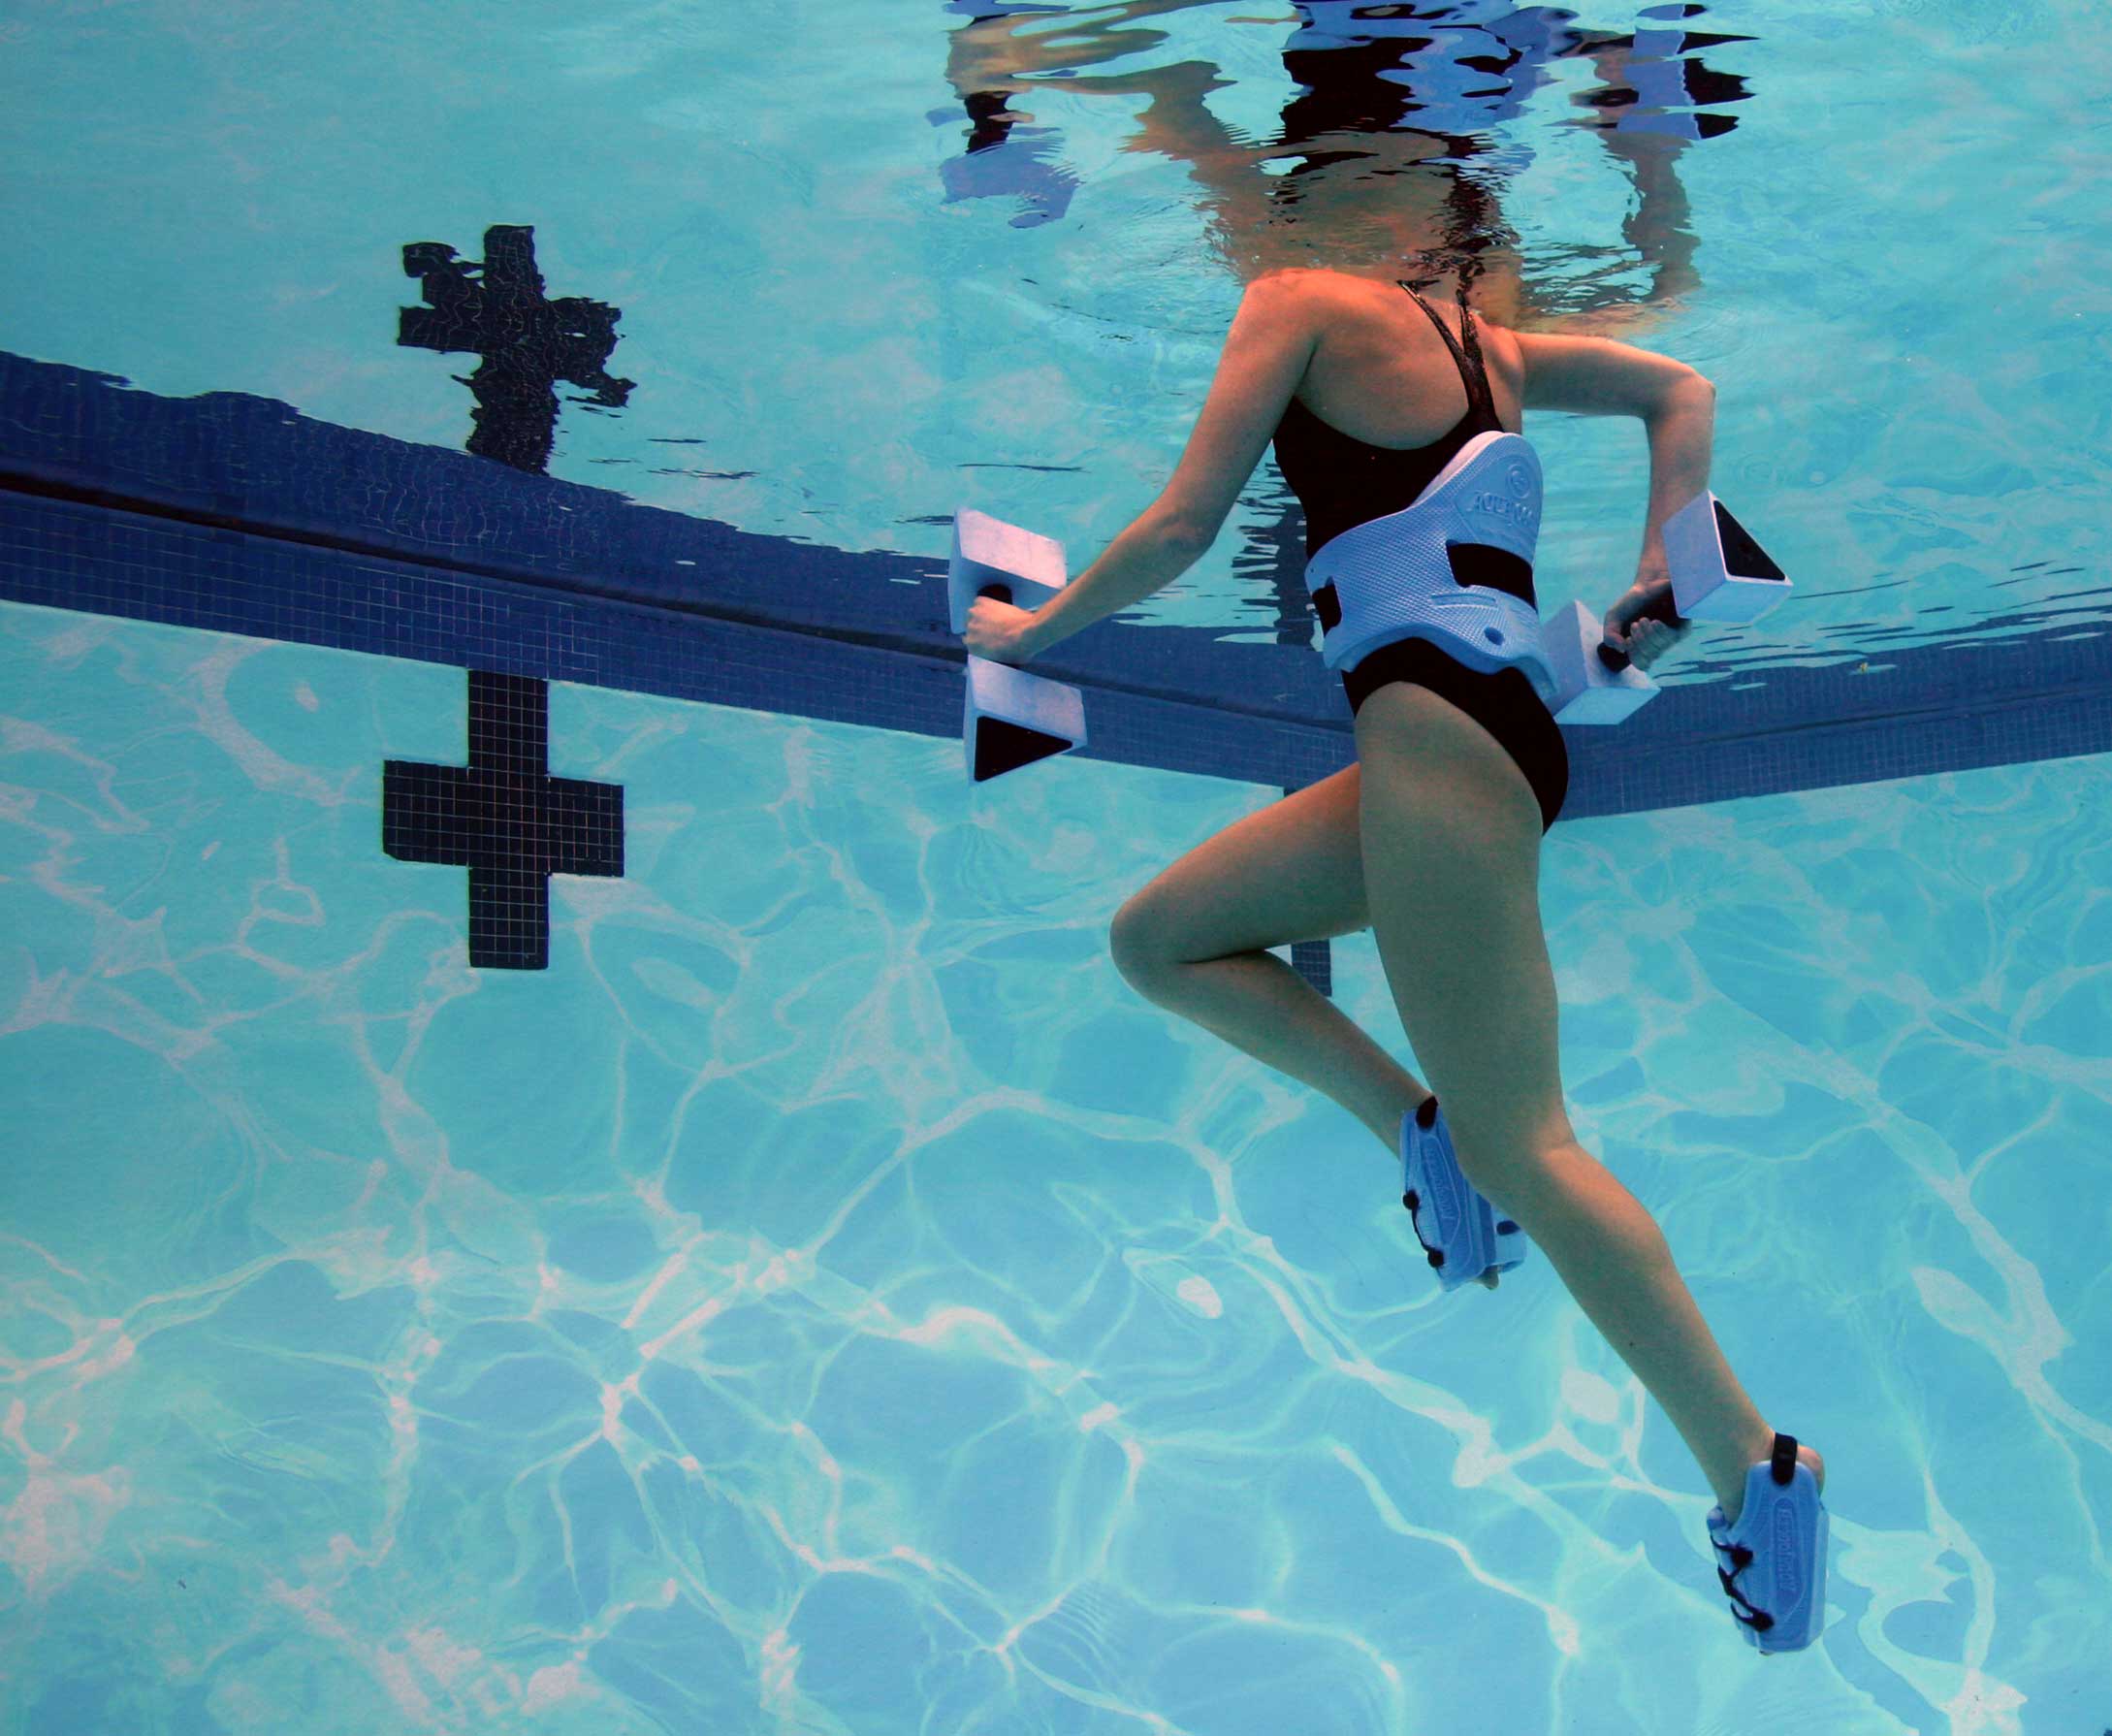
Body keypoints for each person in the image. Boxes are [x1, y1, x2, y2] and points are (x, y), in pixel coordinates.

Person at [962, 257, 1829, 1651]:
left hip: (1431, 737)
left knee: (1532, 1145)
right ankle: (1417, 1133)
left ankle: (1755, 1466)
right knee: (1161, 941)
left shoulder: (1297, 298)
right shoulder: (1497, 346)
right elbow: (1682, 382)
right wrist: (1667, 545)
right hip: (1483, 728)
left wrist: (1027, 630)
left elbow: (1186, 524)